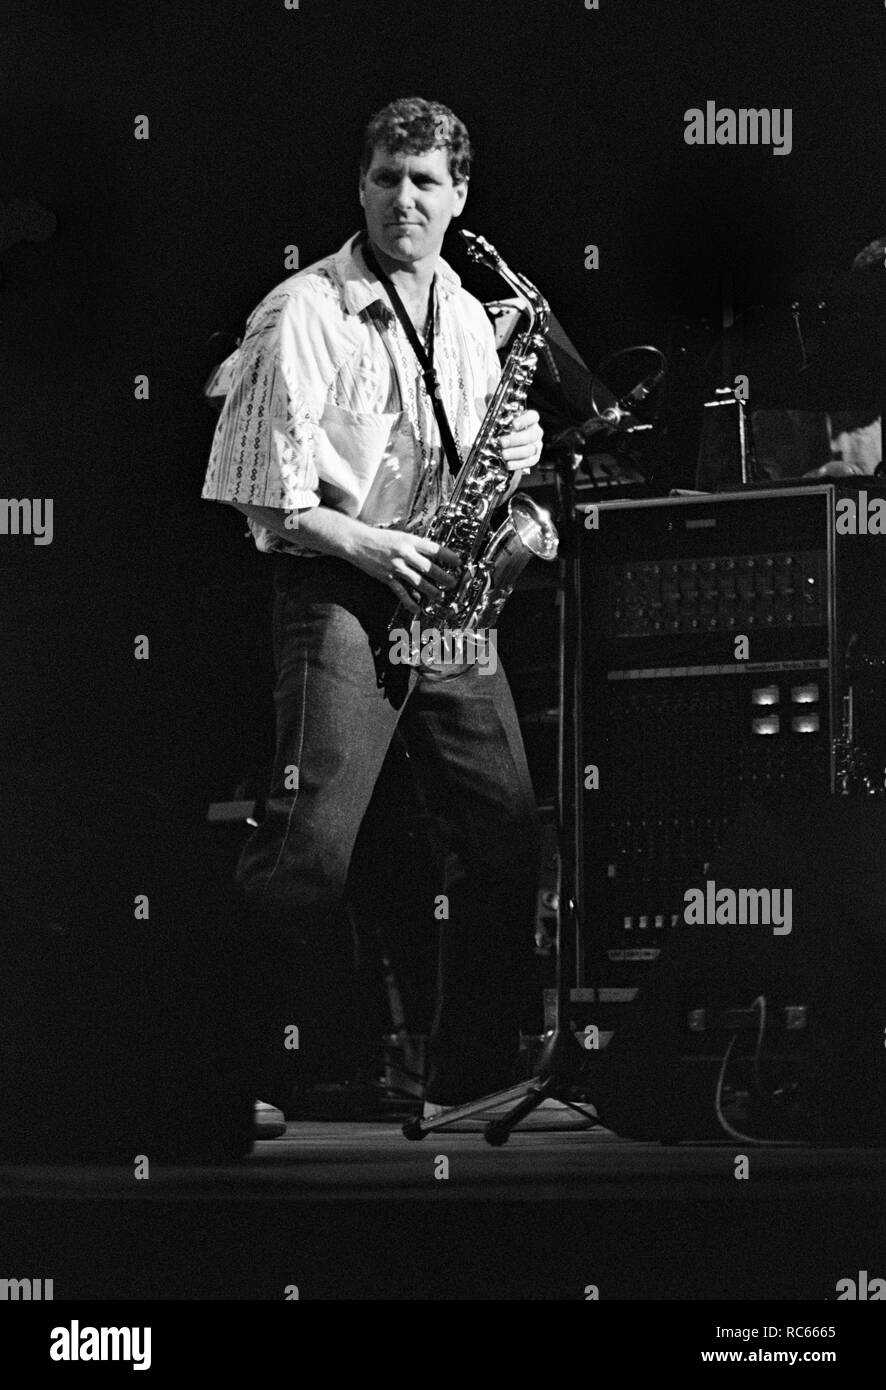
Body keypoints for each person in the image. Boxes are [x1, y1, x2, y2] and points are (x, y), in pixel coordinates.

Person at [201, 97, 546, 1121]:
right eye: (388, 178)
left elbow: (485, 459)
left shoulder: (477, 316)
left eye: (426, 181)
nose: (405, 199)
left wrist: (519, 457)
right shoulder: (302, 309)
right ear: (361, 185)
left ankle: (472, 1075)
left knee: (505, 838)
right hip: (345, 586)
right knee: (309, 845)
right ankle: (233, 1076)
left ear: (459, 195)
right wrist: (369, 543)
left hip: (445, 594)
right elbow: (265, 495)